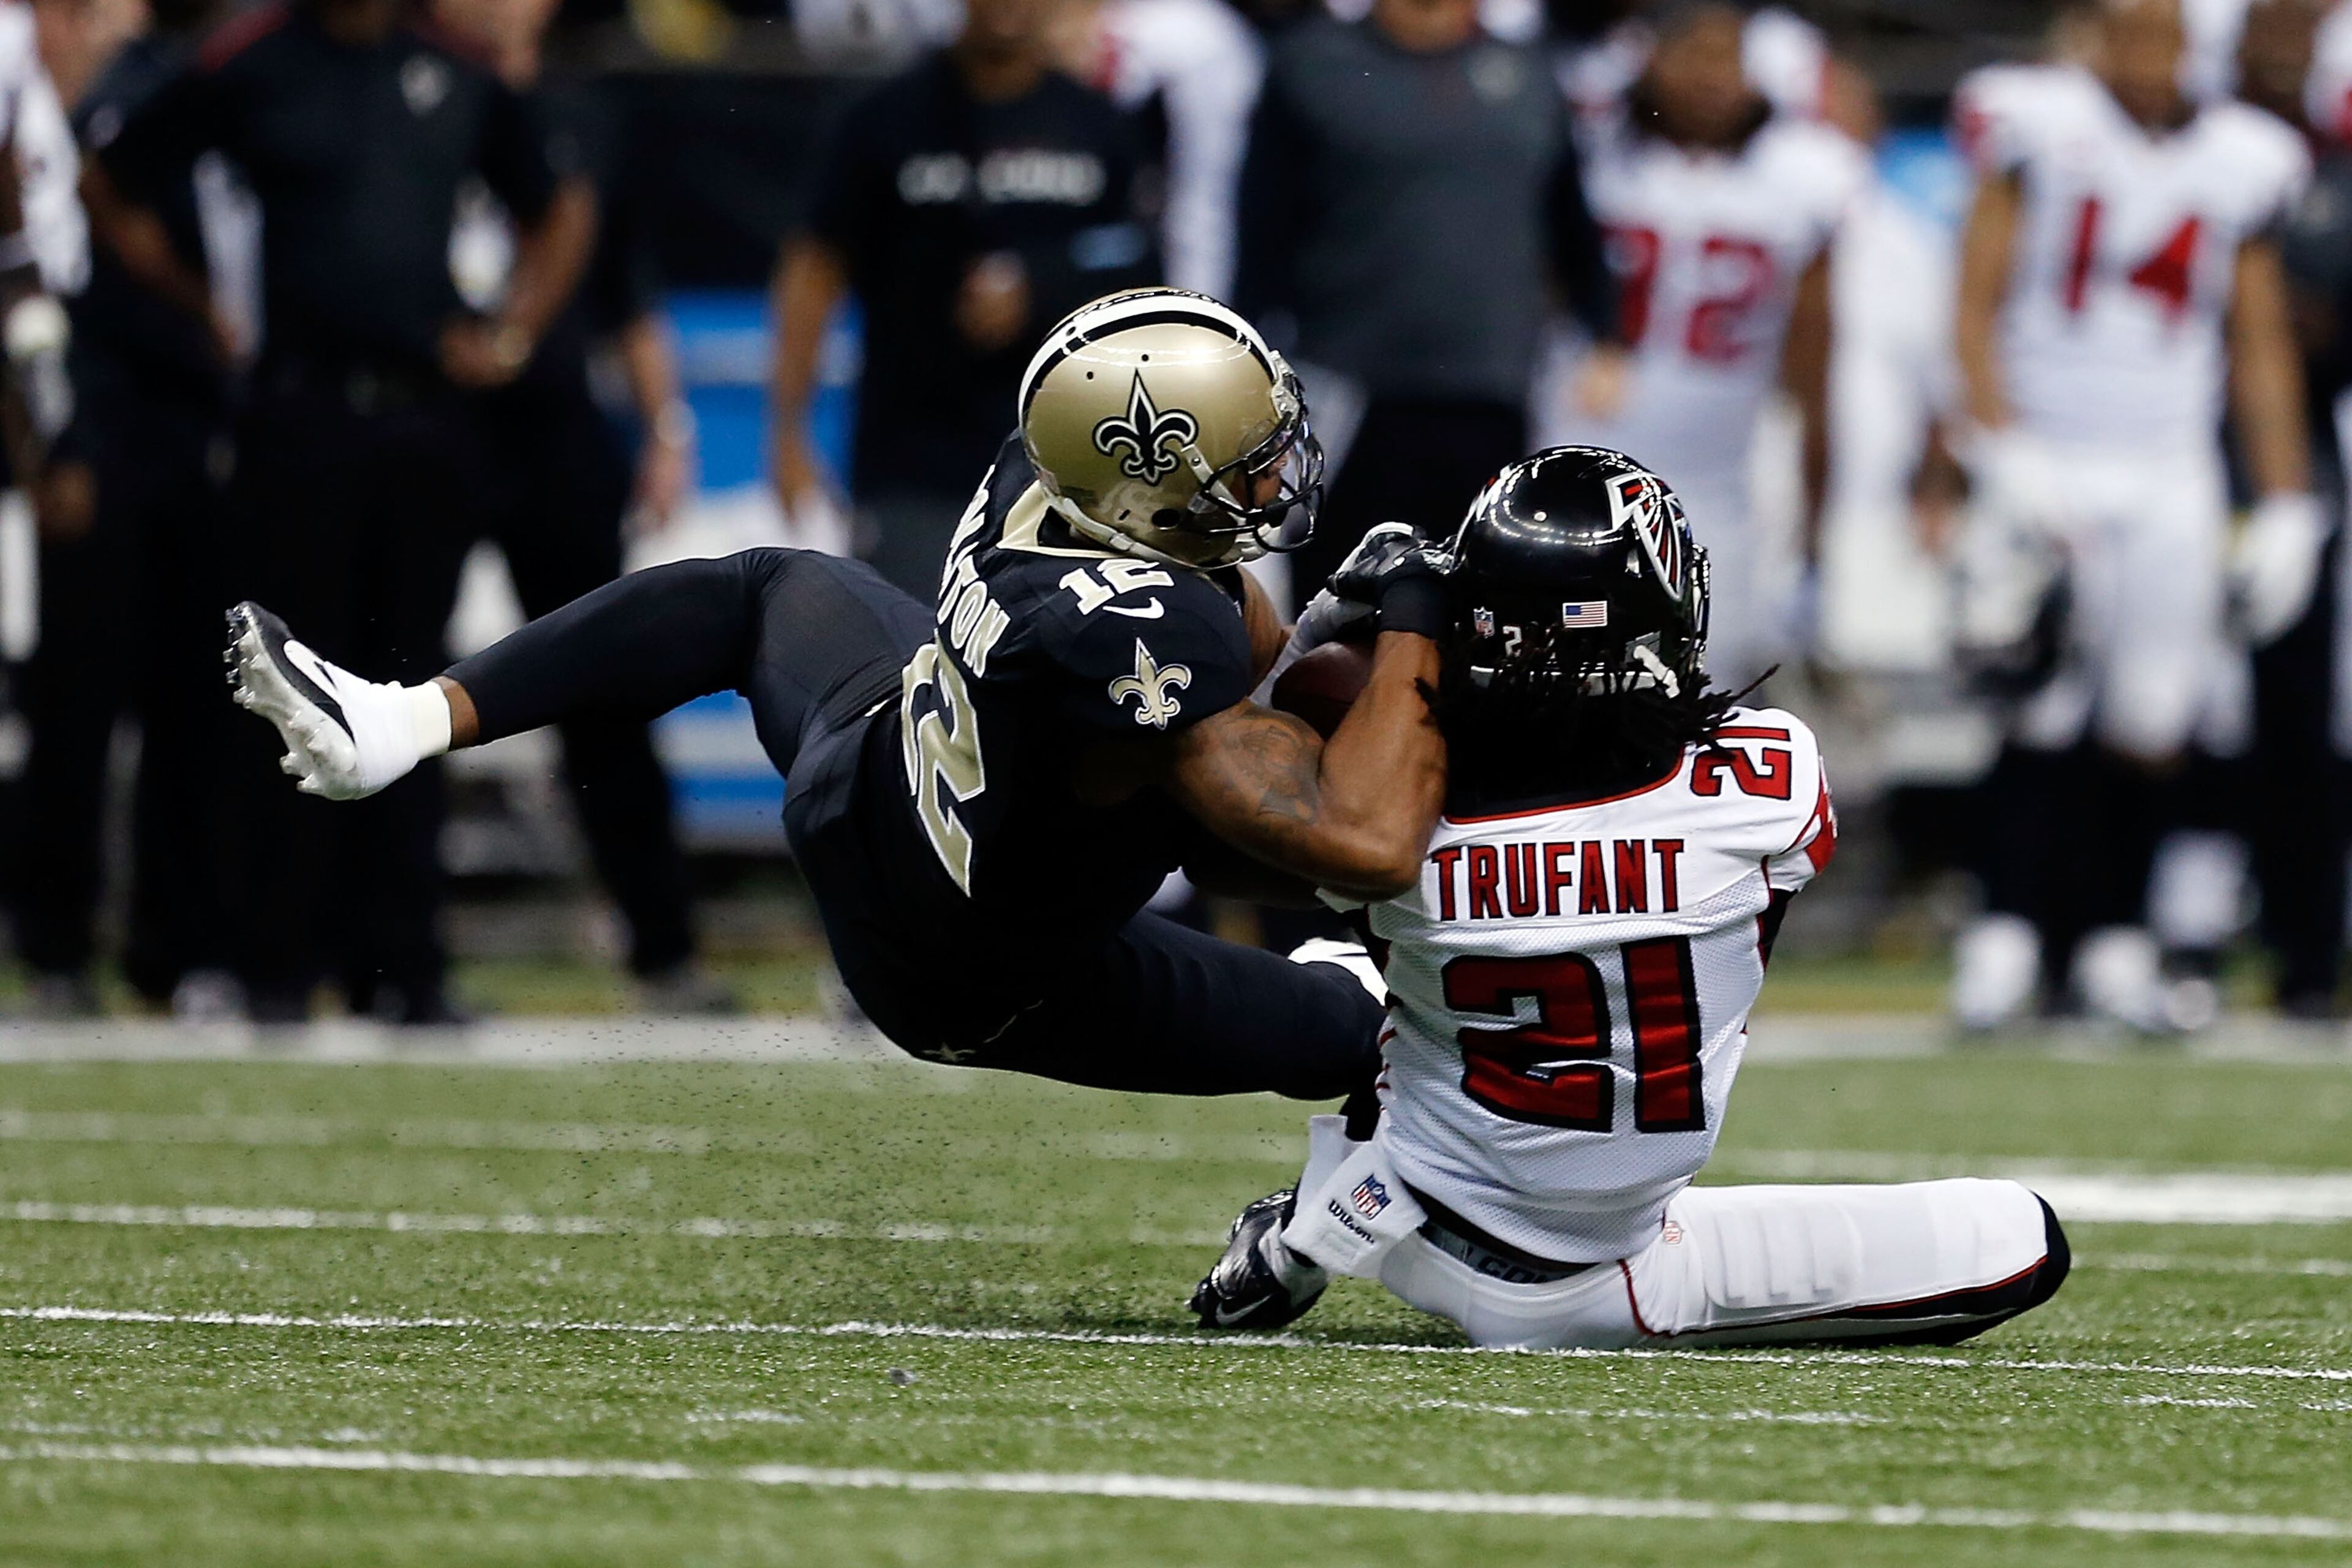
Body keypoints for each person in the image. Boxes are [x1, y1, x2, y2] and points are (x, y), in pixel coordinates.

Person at [231, 288, 1446, 1100]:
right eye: (1251, 458)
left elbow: (1245, 701)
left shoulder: (1049, 469)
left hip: (865, 764)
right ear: (1145, 476)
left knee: (764, 590)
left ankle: (395, 719)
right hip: (972, 973)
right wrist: (1412, 629)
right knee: (1352, 1018)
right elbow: (1361, 838)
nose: (1281, 473)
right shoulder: (1145, 630)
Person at [1190, 447, 2071, 1349]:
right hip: (1617, 1273)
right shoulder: (1772, 782)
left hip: (1428, 1226)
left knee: (1360, 970)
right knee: (2021, 1239)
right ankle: (1336, 1204)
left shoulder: (1397, 828)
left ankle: (1340, 1206)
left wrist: (1354, 637)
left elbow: (1245, 816)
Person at [100, 0, 597, 1022]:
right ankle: (271, 961)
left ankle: (402, 965)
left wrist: (510, 333)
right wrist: (205, 310)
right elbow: (112, 183)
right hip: (298, 413)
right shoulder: (251, 58)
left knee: (414, 682)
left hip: (425, 419)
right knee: (282, 684)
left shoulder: (455, 68)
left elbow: (562, 205)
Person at [1945, 0, 2317, 1032]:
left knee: (2152, 717)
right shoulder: (2038, 124)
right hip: (2049, 448)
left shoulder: (2246, 156)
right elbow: (1971, 298)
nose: (2152, 54)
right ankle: (2004, 936)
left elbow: (2258, 339)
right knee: (2035, 699)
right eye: (2132, 30)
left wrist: (2285, 497)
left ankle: (2117, 943)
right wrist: (1998, 439)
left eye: (2168, 34)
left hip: (2167, 464)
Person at [433, 0, 725, 1014]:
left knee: (604, 682)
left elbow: (626, 288)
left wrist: (664, 427)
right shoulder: (410, 88)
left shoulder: (582, 115)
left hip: (554, 424)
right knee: (396, 678)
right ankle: (387, 956)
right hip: (428, 418)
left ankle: (663, 947)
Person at [770, 0, 1158, 602]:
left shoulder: (1097, 125)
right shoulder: (885, 119)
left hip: (1066, 470)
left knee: (1054, 676)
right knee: (914, 660)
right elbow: (814, 270)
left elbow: (1140, 269)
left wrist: (1039, 284)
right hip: (916, 463)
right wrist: (789, 432)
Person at [1235, 0, 1620, 598]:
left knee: (1479, 603)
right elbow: (1261, 227)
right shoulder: (1313, 64)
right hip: (1350, 386)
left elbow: (1569, 216)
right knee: (1340, 607)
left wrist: (1604, 332)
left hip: (1490, 386)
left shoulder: (1528, 70)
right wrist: (1247, 362)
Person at [13, 0, 236, 1017]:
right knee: (76, 698)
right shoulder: (34, 102)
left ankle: (171, 948)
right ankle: (56, 944)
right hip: (81, 427)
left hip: (179, 424)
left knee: (190, 701)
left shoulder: (163, 91)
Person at [1545, 0, 1865, 690]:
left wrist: (1814, 534)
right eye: (1694, 54)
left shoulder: (1801, 181)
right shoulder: (1586, 155)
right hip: (1568, 468)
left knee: (1695, 700)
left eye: (1728, 58)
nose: (1711, 78)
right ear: (1650, 58)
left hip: (1715, 487)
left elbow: (1815, 369)